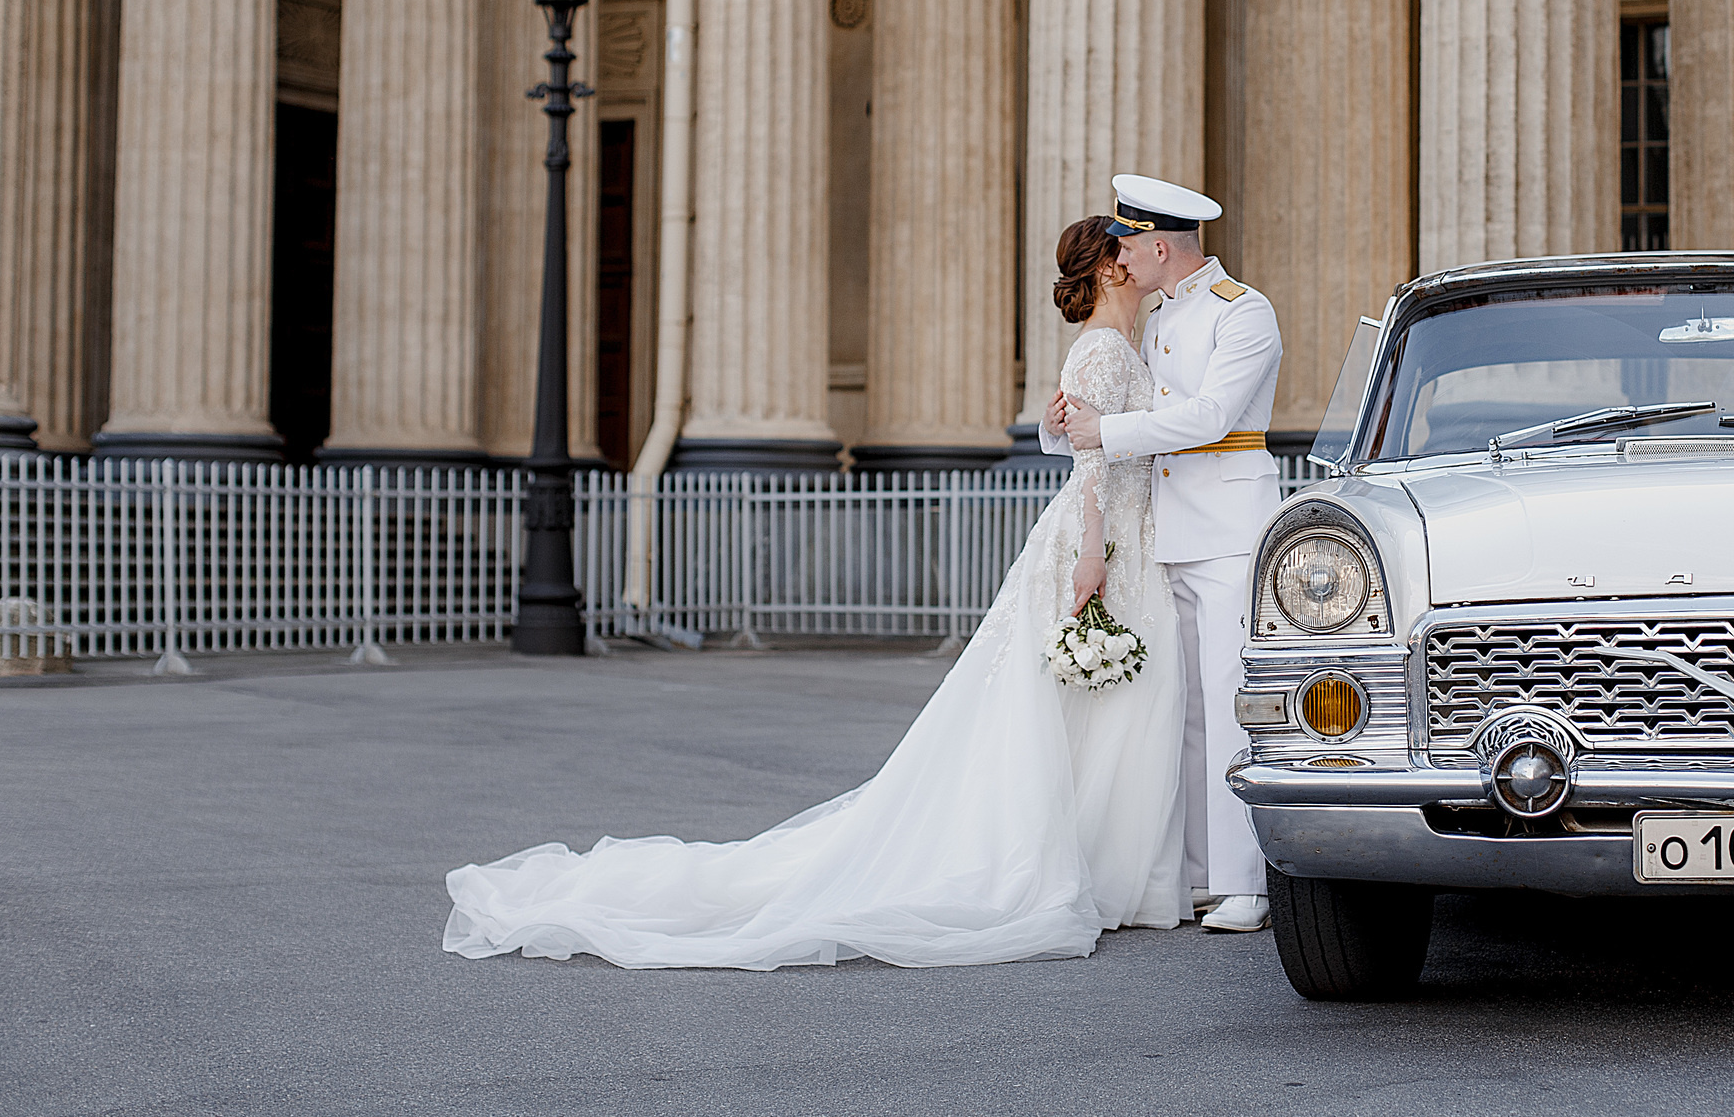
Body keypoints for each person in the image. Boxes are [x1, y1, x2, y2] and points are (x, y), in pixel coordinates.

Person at [441, 217, 1185, 969]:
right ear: (1111, 269)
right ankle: (1086, 865)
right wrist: (1093, 551)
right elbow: (1091, 457)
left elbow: (1094, 434)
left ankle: (1106, 862)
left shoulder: (1131, 342)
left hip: (1126, 537)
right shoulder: (1101, 347)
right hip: (1100, 543)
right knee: (1071, 704)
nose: (1140, 252)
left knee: (1099, 705)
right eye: (1127, 245)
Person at [1047, 175, 1283, 935]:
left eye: (1125, 243)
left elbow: (1210, 416)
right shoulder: (1156, 320)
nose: (1117, 256)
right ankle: (1194, 874)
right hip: (1163, 531)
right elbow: (1127, 412)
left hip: (1225, 530)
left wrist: (1104, 433)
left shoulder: (1242, 311)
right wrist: (1069, 425)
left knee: (1230, 706)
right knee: (1183, 712)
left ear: (1156, 246)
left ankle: (1245, 882)